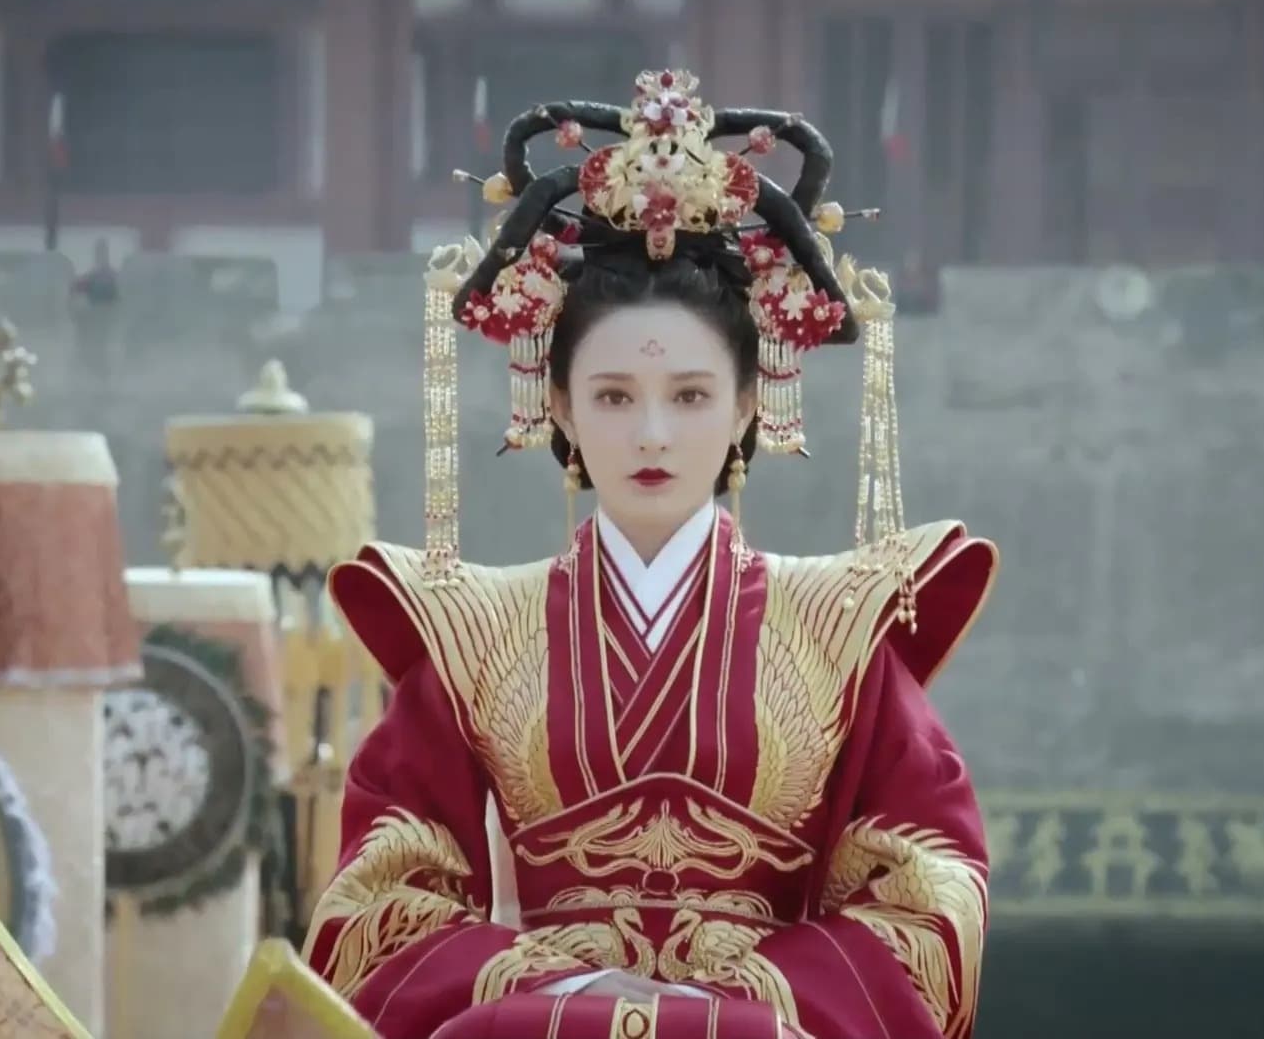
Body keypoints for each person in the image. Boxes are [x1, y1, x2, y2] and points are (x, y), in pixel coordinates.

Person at [305, 68, 998, 1039]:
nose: (653, 436)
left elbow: (928, 884)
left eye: (691, 396)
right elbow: (382, 897)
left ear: (749, 403)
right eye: (615, 397)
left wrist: (734, 1003)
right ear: (558, 406)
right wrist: (570, 988)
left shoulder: (836, 627)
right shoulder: (476, 632)